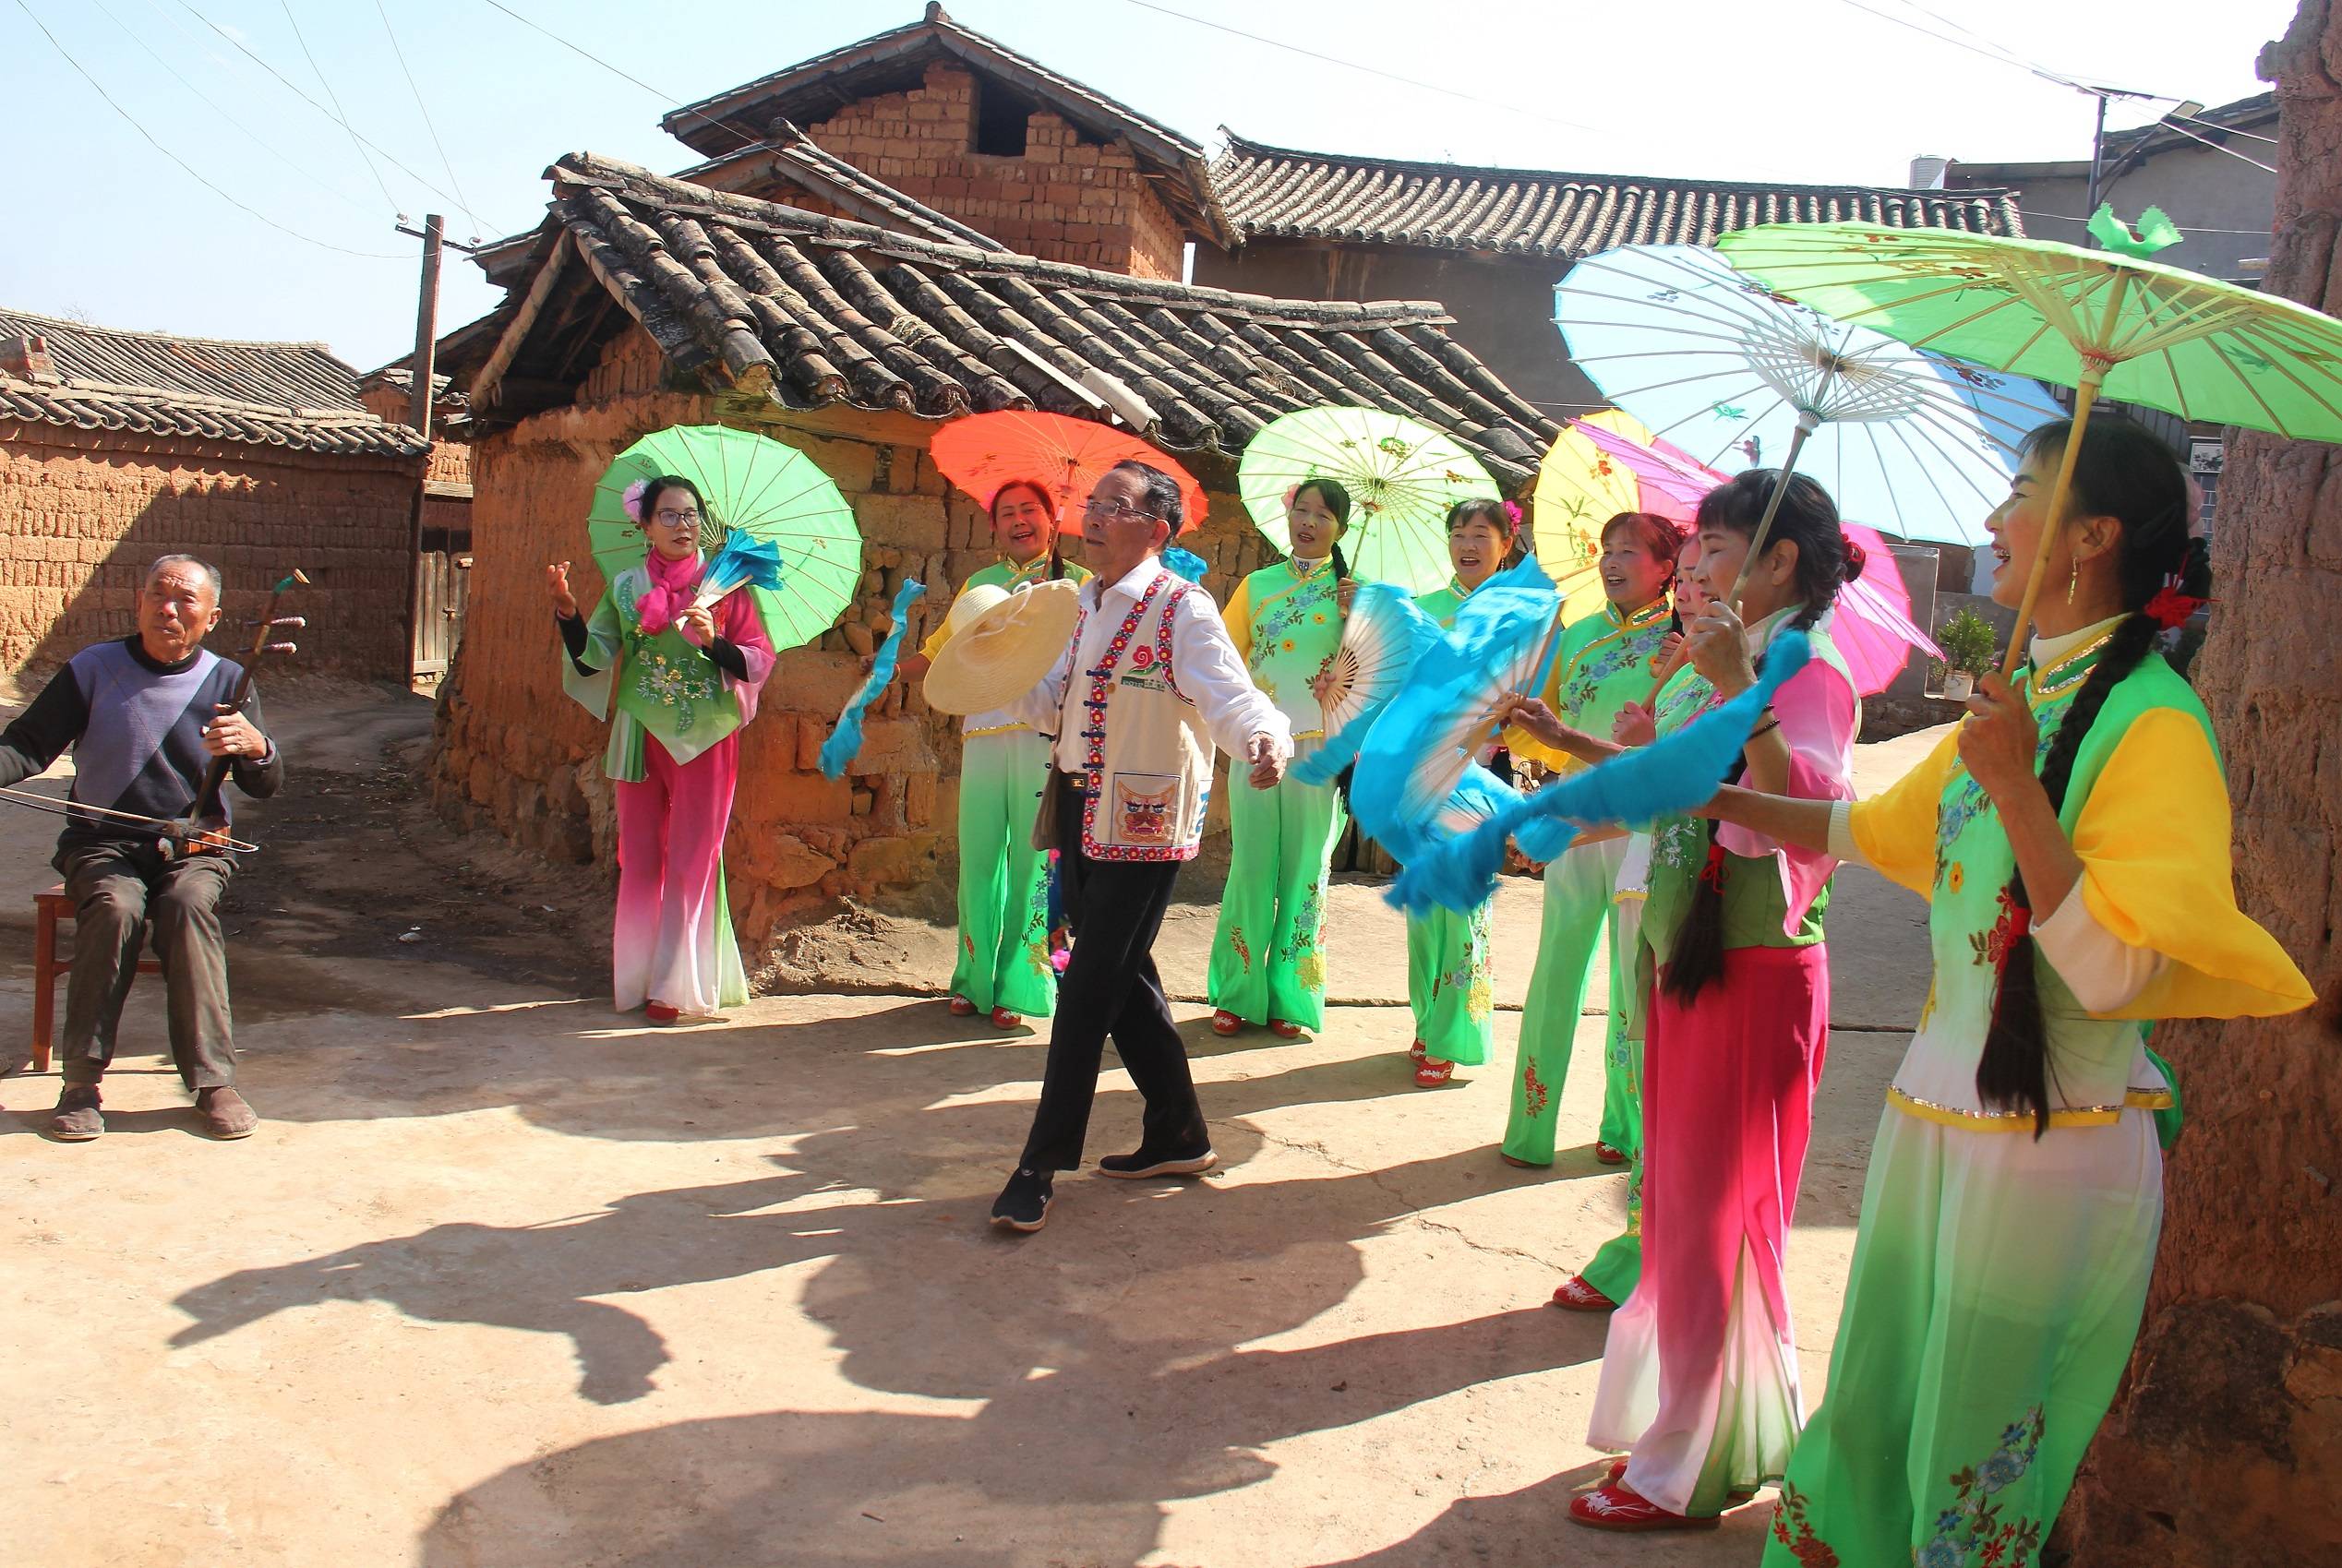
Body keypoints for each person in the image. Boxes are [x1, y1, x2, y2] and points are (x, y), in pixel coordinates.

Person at [1694, 420, 2313, 1566]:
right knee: (1873, 1417)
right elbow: (1861, 828)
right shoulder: (2021, 697)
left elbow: (2113, 975)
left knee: (1971, 1455)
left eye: (2020, 493)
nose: (1991, 520)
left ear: (2092, 535)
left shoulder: (2154, 726)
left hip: (2049, 1149)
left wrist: (2020, 794)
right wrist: (1685, 780)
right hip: (1930, 1124)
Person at [1506, 471, 1862, 1529]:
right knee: (1676, 1209)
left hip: (1749, 970)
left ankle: (1687, 1464)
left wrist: (1744, 694)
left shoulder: (1805, 671)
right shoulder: (1731, 662)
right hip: (1685, 953)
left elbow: (1795, 825)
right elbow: (1680, 790)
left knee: (1714, 1220)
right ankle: (1695, 1423)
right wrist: (1577, 755)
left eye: (1709, 544)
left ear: (1776, 560)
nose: (1693, 564)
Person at [990, 460, 1291, 1233]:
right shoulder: (1075, 605)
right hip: (1079, 808)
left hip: (1145, 822)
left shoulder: (1181, 608)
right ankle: (1178, 1132)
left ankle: (1040, 1162)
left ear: (1155, 530)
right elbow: (1049, 700)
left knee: (1087, 988)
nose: (1092, 515)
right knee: (1123, 978)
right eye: (1091, 502)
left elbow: (1230, 693)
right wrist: (997, 656)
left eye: (1113, 506)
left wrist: (1262, 738)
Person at [0, 556, 280, 1142]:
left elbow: (263, 784)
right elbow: (26, 745)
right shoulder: (93, 668)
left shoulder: (231, 680)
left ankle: (211, 1081)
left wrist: (258, 749)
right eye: (158, 595)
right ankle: (80, 1083)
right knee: (114, 906)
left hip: (196, 848)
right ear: (139, 602)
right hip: (102, 845)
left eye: (185, 602)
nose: (168, 609)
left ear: (212, 618)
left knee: (186, 906)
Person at [549, 474, 775, 1023]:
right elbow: (593, 659)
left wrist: (712, 640)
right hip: (639, 731)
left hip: (707, 737)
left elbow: (760, 659)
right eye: (669, 515)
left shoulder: (728, 587)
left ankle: (676, 986)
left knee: (694, 857)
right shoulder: (624, 588)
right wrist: (567, 612)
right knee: (642, 857)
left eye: (691, 514)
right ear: (644, 525)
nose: (683, 525)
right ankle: (638, 978)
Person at [1552, 532, 1710, 1311]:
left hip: (1707, 904)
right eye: (1688, 570)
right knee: (1649, 1054)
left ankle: (1656, 1255)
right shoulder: (1682, 672)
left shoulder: (1759, 680)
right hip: (1649, 881)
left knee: (1671, 1074)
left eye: (1712, 564)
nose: (1692, 584)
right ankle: (1649, 1246)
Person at [1501, 511, 1681, 1168]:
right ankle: (1530, 1124)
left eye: (1628, 551)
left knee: (1633, 979)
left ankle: (1624, 1125)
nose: (1611, 561)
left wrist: (1683, 666)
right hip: (1574, 822)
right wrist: (1509, 708)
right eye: (1606, 550)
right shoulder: (1576, 633)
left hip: (1640, 829)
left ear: (1667, 567)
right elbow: (1539, 728)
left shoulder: (1684, 642)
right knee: (1555, 969)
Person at [900, 481, 1090, 1031]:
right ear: (994, 528)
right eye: (1006, 513)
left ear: (1053, 518)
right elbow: (939, 652)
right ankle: (972, 979)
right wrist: (890, 669)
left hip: (1045, 740)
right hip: (983, 734)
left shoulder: (1079, 585)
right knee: (980, 860)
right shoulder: (979, 586)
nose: (1018, 520)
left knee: (1035, 864)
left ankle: (1022, 984)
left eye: (1029, 509)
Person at [1207, 478, 1352, 1040]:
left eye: (1321, 515)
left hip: (1323, 747)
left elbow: (1382, 672)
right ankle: (1237, 992)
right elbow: (1221, 662)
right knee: (1252, 863)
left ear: (1341, 528)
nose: (1308, 523)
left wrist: (1358, 618)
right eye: (1301, 511)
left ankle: (1293, 995)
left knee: (1306, 869)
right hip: (1259, 741)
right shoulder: (1257, 586)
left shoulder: (1357, 595)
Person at [1402, 497, 1519, 1088]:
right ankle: (1426, 1020)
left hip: (1475, 778)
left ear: (1505, 544)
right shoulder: (1422, 612)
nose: (1466, 545)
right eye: (1456, 534)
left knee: (1464, 908)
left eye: (1480, 534)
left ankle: (1453, 1032)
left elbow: (1520, 707)